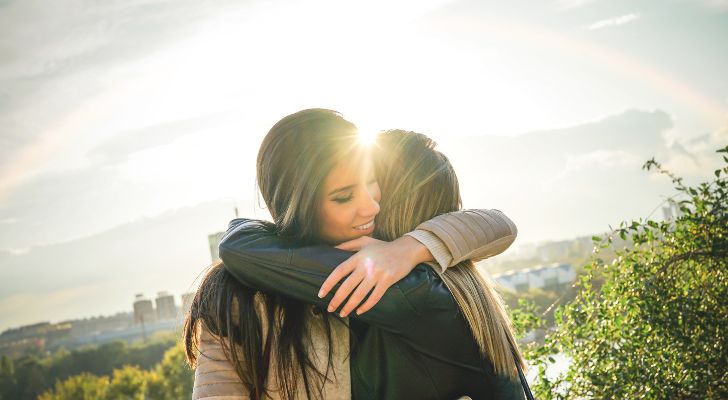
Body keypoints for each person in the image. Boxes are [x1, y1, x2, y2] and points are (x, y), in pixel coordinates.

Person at [184, 109, 523, 399]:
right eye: (344, 195)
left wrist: (408, 249)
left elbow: (501, 225)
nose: (370, 205)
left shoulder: (404, 288)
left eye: (373, 183)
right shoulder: (234, 292)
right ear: (300, 202)